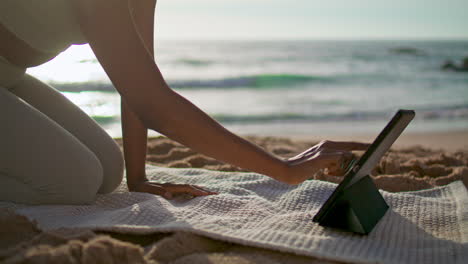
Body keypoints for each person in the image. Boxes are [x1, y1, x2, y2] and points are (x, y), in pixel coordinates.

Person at [0, 0, 368, 205]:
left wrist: (139, 179)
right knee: (74, 183)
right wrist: (283, 168)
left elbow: (140, 83)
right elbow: (154, 105)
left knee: (109, 173)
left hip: (10, 76)